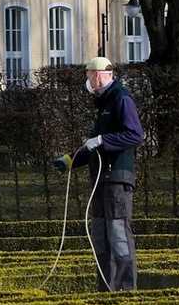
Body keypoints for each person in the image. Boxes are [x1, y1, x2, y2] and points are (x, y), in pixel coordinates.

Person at [53, 57, 144, 291]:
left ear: (99, 75)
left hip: (117, 179)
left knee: (118, 234)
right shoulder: (103, 103)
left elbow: (135, 135)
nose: (88, 80)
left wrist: (105, 140)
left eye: (89, 75)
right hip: (101, 180)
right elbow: (93, 147)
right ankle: (105, 289)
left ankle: (125, 289)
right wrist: (71, 160)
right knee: (101, 236)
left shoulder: (121, 98)